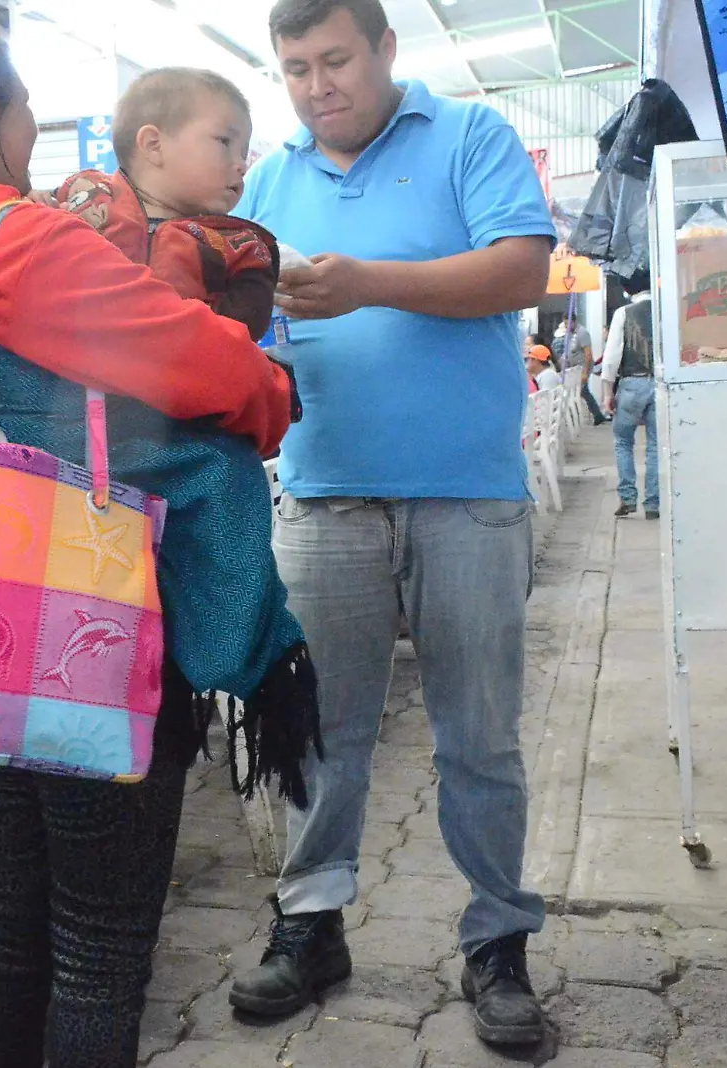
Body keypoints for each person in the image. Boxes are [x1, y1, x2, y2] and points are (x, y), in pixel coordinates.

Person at [0, 14, 313, 1066]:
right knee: (99, 944)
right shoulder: (10, 237)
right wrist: (271, 387)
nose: (36, 128)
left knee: (16, 916)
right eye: (25, 104)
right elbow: (202, 368)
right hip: (88, 625)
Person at [227, 0, 557, 1047]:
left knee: (478, 734)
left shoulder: (469, 137)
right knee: (321, 733)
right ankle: (312, 923)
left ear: (385, 52)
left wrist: (364, 285)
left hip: (464, 491)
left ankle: (497, 941)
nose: (318, 84)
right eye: (294, 68)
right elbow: (247, 322)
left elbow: (520, 270)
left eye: (335, 60)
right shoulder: (268, 181)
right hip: (323, 491)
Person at [46, 67, 321, 762]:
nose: (240, 162)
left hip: (189, 441)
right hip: (79, 457)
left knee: (229, 497)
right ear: (152, 142)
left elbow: (230, 336)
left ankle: (237, 652)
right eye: (224, 140)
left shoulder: (240, 244)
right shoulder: (72, 209)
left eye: (246, 145)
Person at [602, 279, 658, 519]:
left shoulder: (624, 313)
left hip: (632, 384)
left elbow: (612, 355)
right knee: (655, 445)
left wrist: (607, 392)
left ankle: (628, 497)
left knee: (623, 442)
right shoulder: (665, 309)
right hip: (660, 382)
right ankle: (653, 504)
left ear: (628, 290)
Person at [555, 318, 606, 423]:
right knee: (582, 391)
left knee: (582, 391)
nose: (566, 326)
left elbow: (588, 353)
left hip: (582, 367)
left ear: (573, 322)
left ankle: (596, 415)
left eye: (567, 323)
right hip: (574, 368)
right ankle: (596, 415)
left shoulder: (582, 333)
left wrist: (585, 372)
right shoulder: (570, 334)